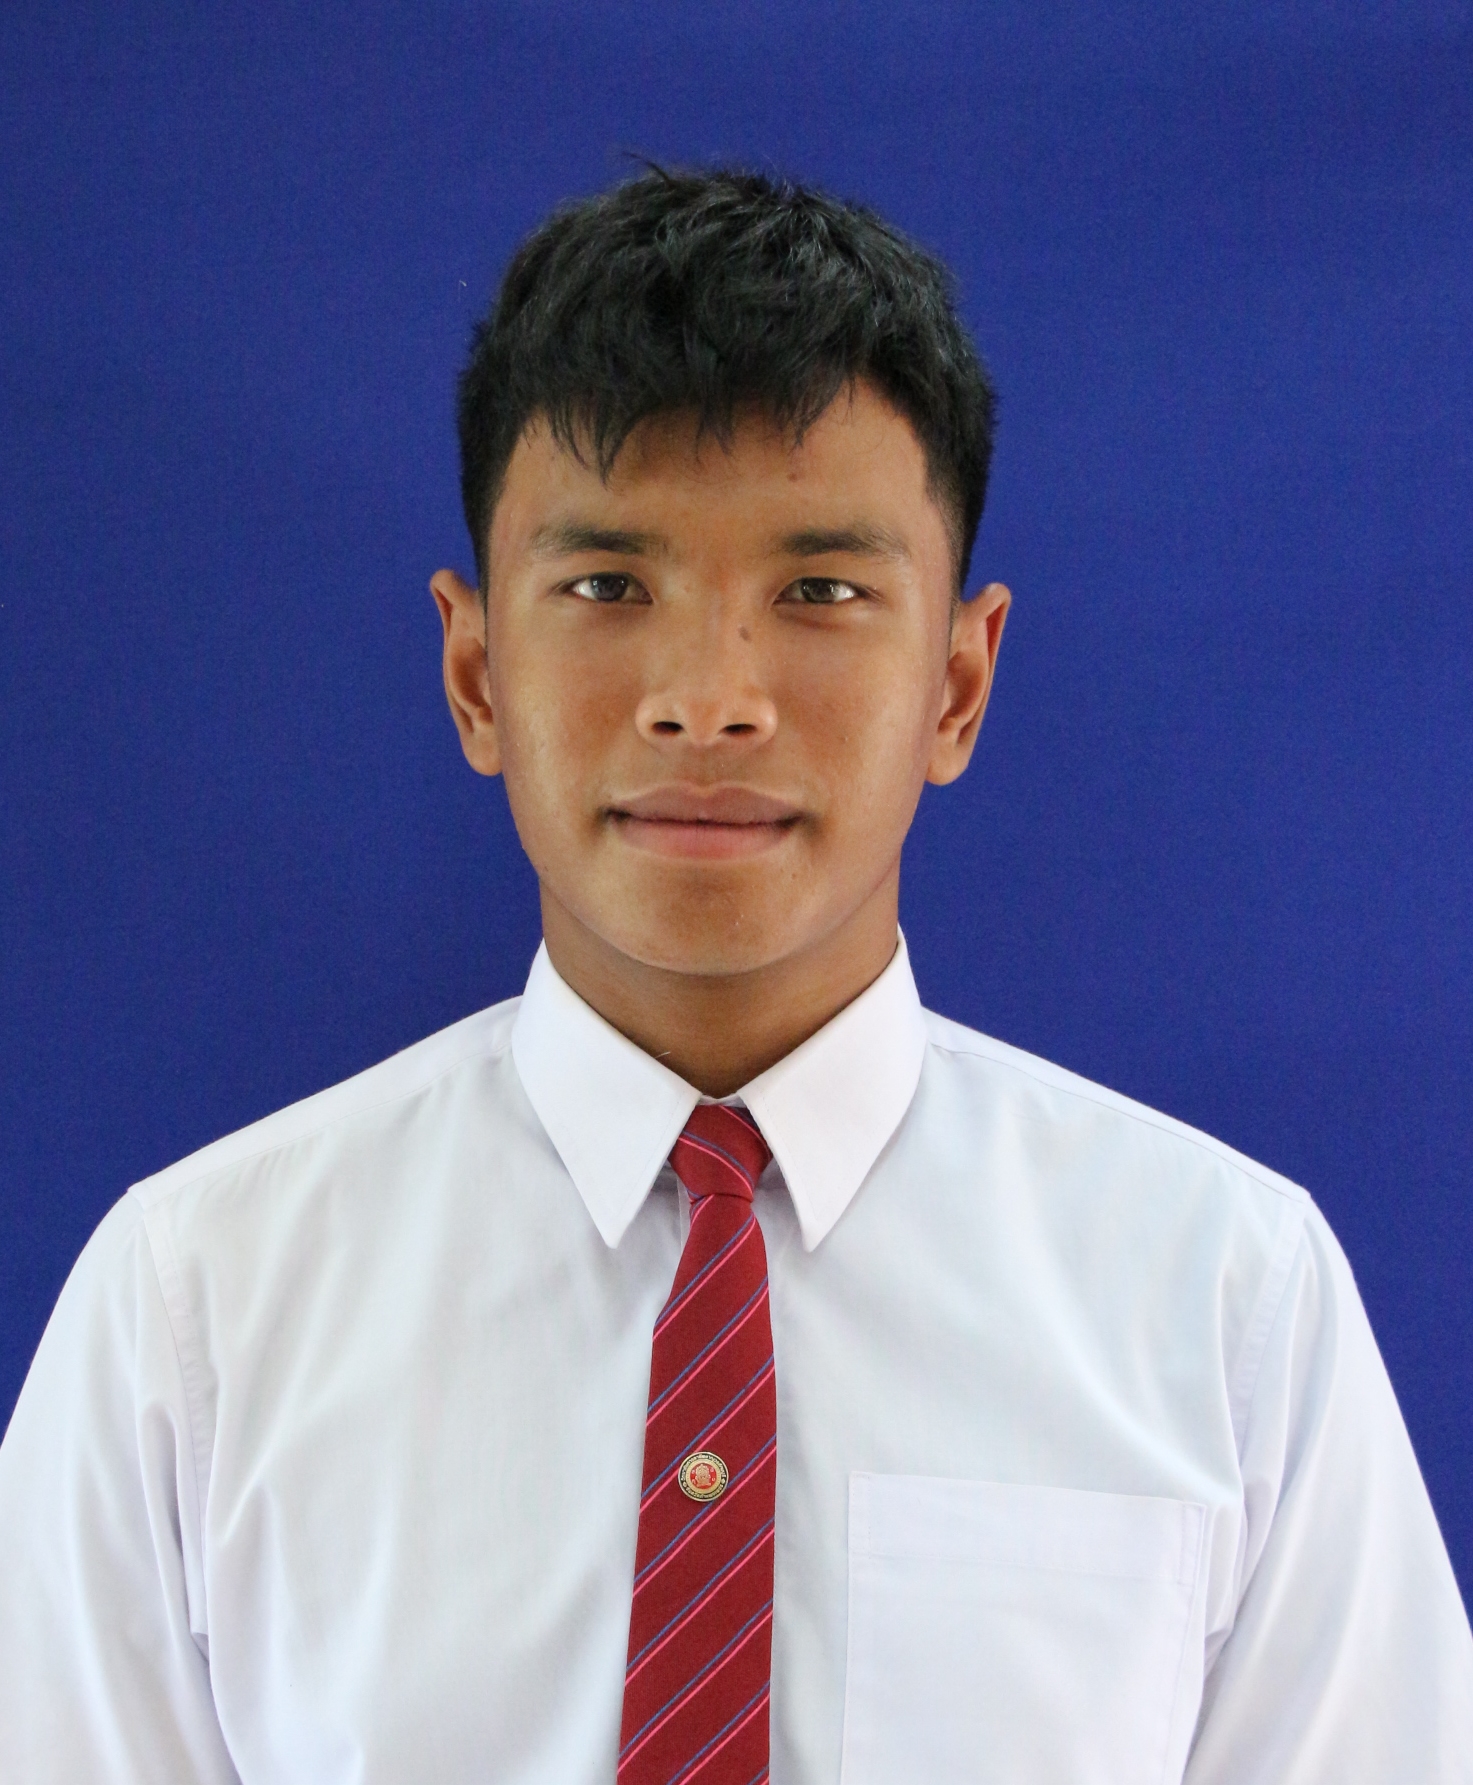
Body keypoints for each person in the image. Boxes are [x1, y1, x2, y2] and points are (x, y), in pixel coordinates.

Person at [0, 167, 1468, 1784]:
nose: (709, 699)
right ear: (475, 671)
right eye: (606, 586)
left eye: (820, 591)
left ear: (958, 684)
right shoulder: (195, 1311)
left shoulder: (1227, 1301)